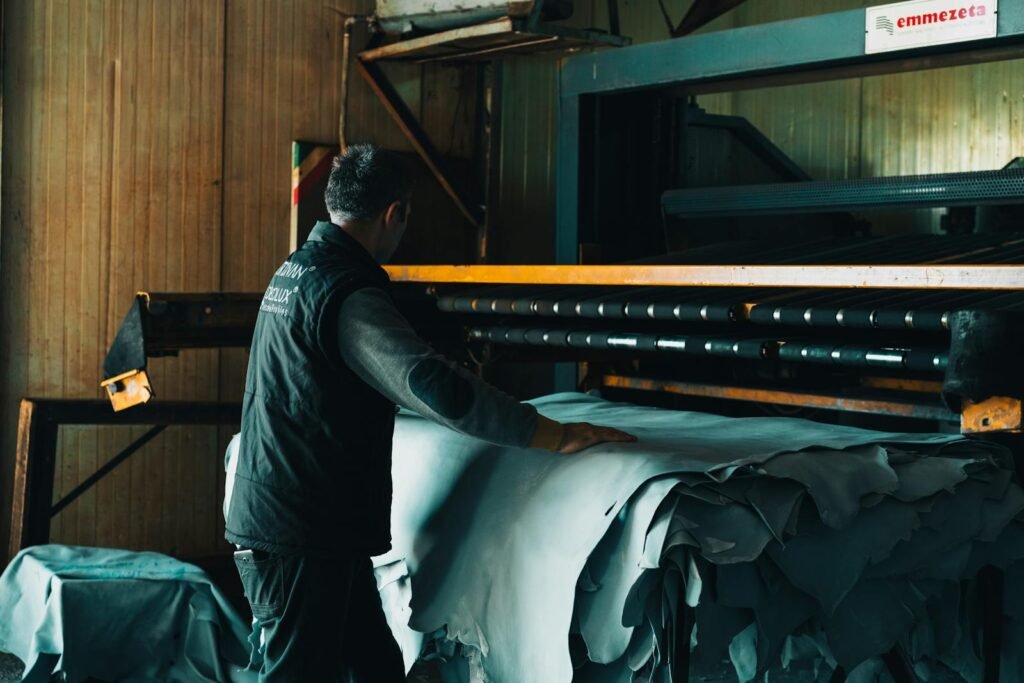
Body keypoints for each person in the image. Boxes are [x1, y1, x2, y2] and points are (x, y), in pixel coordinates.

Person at [225, 144, 636, 681]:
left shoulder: (298, 270)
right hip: (300, 537)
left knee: (375, 665)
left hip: (312, 525)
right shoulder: (345, 294)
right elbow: (435, 387)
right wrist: (551, 435)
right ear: (394, 213)